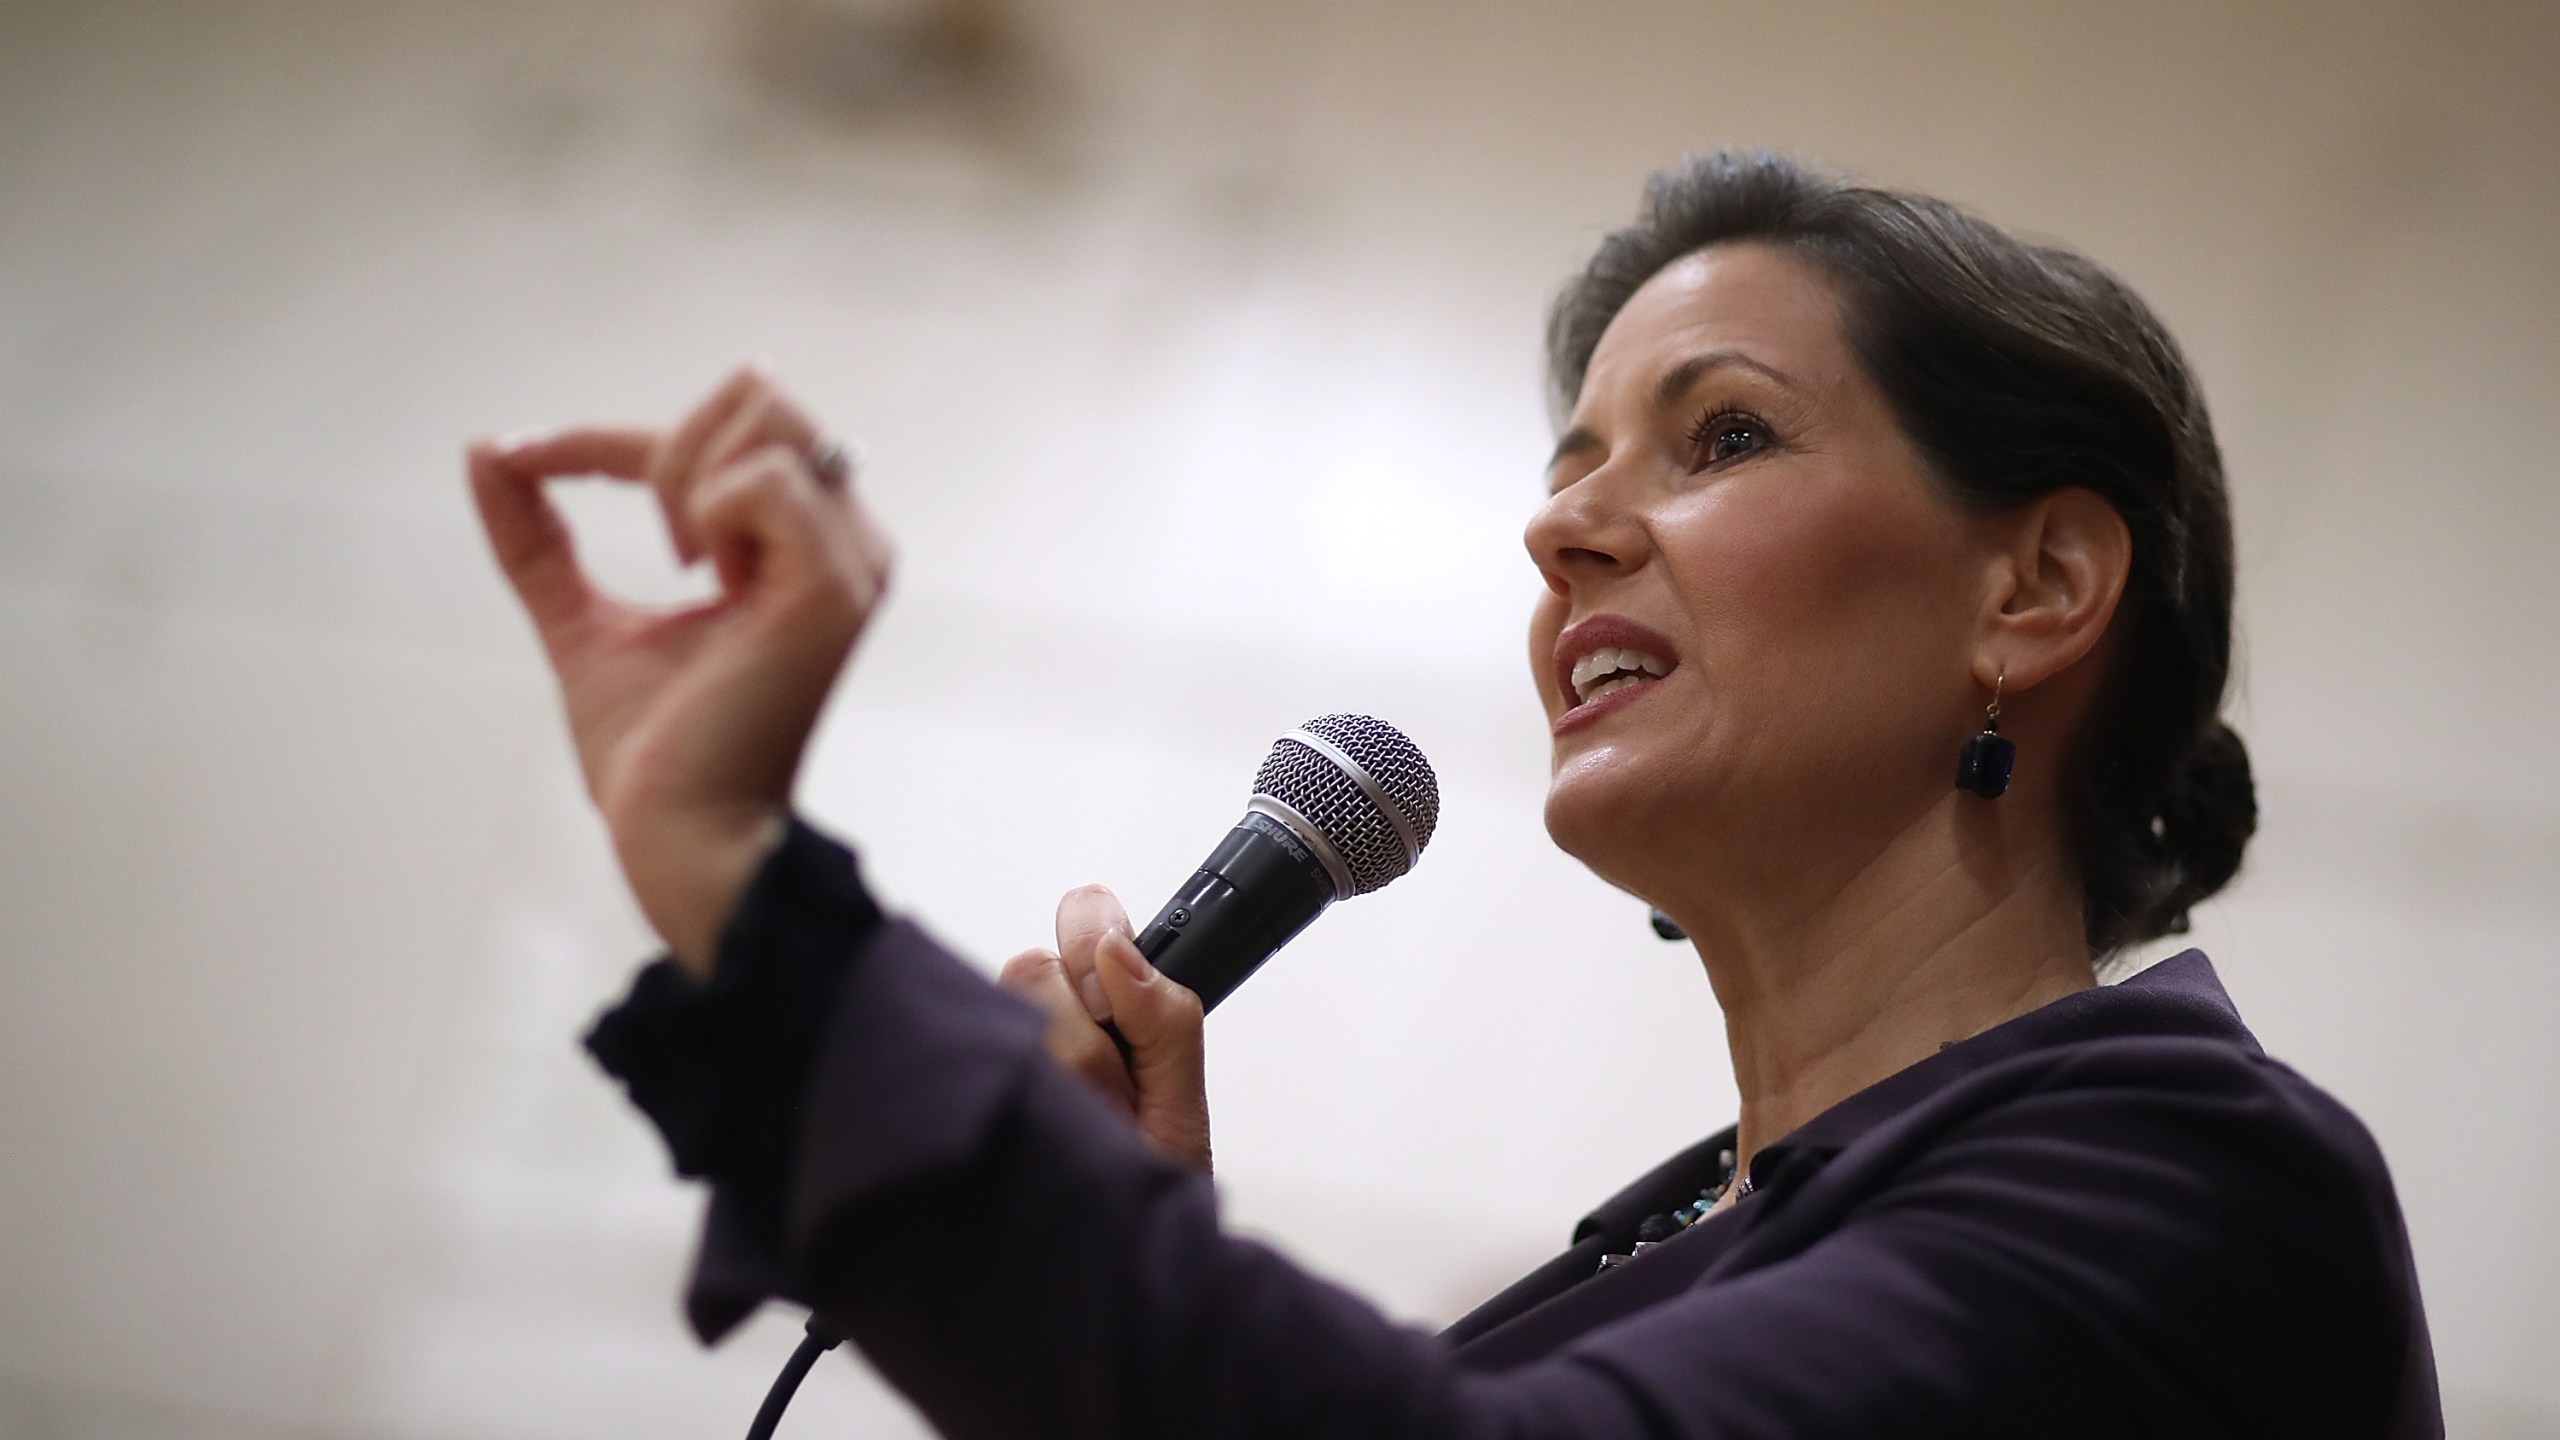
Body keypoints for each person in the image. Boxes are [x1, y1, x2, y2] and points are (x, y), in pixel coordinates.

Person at [468, 150, 2442, 1436]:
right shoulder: (1636, 1267)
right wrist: (1128, 1250)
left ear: (2032, 587)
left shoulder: (2183, 1185)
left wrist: (736, 866)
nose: (1561, 527)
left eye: (1718, 436)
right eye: (1570, 461)